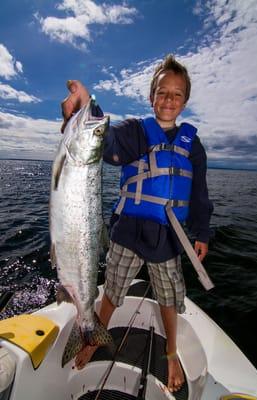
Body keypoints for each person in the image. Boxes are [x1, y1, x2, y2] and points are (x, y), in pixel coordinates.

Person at [61, 54, 213, 393]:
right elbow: (108, 143)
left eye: (176, 94)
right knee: (112, 290)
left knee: (169, 298)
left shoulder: (194, 145)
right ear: (151, 97)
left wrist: (202, 232)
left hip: (168, 237)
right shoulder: (135, 131)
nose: (168, 100)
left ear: (185, 101)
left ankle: (171, 353)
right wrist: (88, 107)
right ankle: (92, 338)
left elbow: (200, 193)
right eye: (162, 92)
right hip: (128, 230)